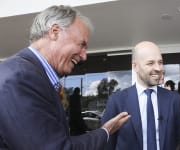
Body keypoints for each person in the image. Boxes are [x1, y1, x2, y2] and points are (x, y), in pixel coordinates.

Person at [0, 5, 130, 150]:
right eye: (82, 44)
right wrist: (105, 131)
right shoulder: (21, 77)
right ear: (55, 32)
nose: (84, 56)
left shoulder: (30, 74)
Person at [102, 41, 180, 150]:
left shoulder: (175, 99)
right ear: (135, 66)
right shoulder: (116, 101)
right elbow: (108, 144)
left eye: (160, 62)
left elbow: (178, 139)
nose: (158, 68)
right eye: (150, 63)